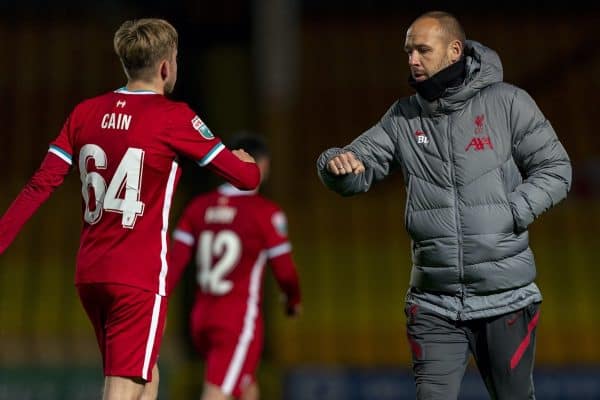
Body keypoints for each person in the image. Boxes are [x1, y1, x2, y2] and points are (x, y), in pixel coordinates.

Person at [316, 11, 571, 400]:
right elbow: (355, 167)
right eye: (408, 51)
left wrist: (513, 212)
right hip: (433, 303)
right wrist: (336, 165)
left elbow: (557, 169)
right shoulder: (403, 118)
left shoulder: (508, 103)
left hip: (506, 298)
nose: (412, 60)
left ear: (454, 51)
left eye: (422, 50)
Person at [0, 18, 260, 400]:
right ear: (166, 66)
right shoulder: (174, 118)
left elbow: (41, 184)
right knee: (123, 387)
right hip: (136, 276)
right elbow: (245, 179)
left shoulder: (84, 113)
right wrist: (248, 161)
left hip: (90, 274)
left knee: (147, 376)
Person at [169, 133, 302, 400]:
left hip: (201, 318)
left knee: (246, 386)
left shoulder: (197, 207)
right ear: (262, 167)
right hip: (237, 321)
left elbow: (173, 264)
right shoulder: (264, 213)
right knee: (217, 393)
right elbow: (285, 271)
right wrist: (292, 300)